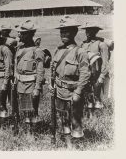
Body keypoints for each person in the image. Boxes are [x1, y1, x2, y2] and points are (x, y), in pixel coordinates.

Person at [50, 16, 91, 148]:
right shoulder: (58, 50)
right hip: (60, 91)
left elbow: (85, 74)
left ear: (74, 32)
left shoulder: (80, 52)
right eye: (62, 31)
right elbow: (53, 71)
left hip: (73, 93)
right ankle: (68, 144)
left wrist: (78, 92)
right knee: (63, 118)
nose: (64, 34)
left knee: (76, 119)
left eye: (67, 31)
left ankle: (77, 145)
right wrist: (52, 85)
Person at [14, 20, 45, 131]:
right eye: (20, 33)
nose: (20, 35)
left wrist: (37, 88)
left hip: (31, 85)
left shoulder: (37, 51)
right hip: (20, 84)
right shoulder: (19, 49)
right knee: (25, 110)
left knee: (33, 109)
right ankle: (28, 131)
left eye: (24, 33)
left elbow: (40, 72)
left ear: (31, 34)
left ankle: (33, 132)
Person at [81, 23, 109, 109]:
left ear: (96, 31)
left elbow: (105, 62)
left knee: (97, 99)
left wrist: (102, 76)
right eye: (86, 30)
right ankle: (89, 117)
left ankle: (98, 118)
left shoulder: (101, 44)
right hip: (86, 75)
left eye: (90, 30)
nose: (87, 32)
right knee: (88, 98)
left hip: (97, 75)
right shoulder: (83, 44)